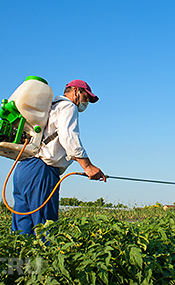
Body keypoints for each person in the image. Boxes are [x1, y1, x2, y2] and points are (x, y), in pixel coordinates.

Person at [11, 79, 106, 235]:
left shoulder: (50, 107)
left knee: (22, 228)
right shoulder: (68, 107)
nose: (86, 102)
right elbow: (69, 137)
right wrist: (88, 167)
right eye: (86, 97)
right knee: (45, 228)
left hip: (23, 168)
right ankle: (45, 259)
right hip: (42, 170)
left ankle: (18, 257)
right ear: (76, 91)